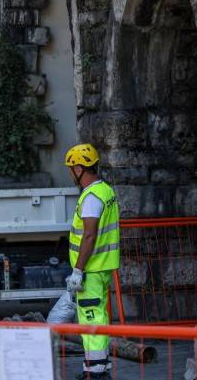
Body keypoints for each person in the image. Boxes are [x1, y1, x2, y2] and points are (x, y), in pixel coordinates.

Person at [64, 143, 120, 380]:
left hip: (91, 269)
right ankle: (98, 367)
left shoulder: (91, 197)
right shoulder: (106, 191)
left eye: (70, 168)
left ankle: (95, 373)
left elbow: (89, 235)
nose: (70, 173)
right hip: (102, 267)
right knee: (100, 317)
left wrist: (78, 270)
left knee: (90, 318)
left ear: (79, 169)